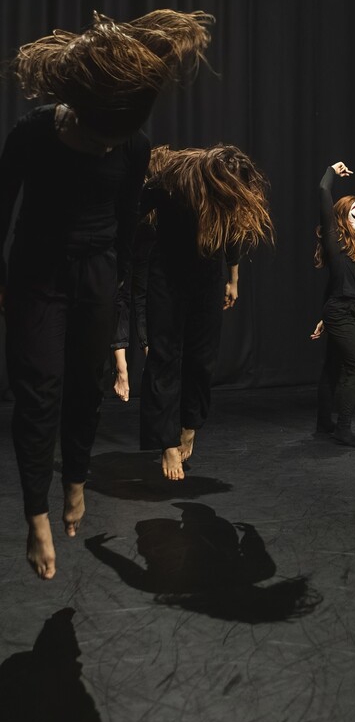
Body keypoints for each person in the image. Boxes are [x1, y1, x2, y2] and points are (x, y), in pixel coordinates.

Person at [0, 8, 213, 579]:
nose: (106, 150)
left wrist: (118, 294)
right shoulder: (33, 134)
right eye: (100, 139)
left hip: (96, 274)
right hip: (36, 274)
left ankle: (74, 479)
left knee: (85, 388)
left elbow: (122, 227)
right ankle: (35, 514)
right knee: (39, 392)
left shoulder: (132, 146)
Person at [113, 143, 274, 481]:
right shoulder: (174, 178)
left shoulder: (224, 195)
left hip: (206, 276)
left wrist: (233, 278)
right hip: (167, 277)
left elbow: (231, 231)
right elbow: (132, 210)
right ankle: (166, 442)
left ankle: (189, 424)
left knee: (202, 358)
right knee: (165, 357)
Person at [314, 161, 355, 447]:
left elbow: (335, 283)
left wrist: (323, 315)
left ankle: (323, 423)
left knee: (334, 367)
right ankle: (343, 428)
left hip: (347, 311)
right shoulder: (335, 239)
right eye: (353, 210)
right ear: (341, 216)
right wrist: (331, 170)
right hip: (341, 311)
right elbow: (323, 190)